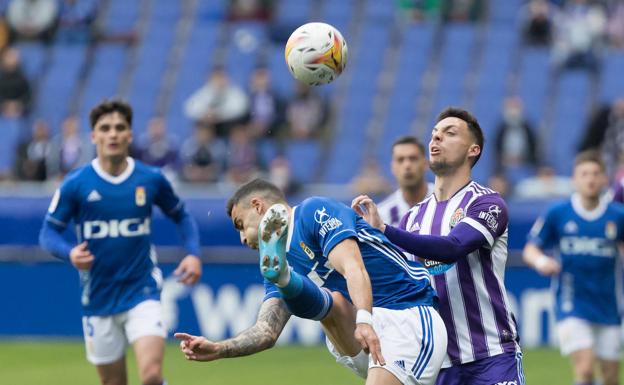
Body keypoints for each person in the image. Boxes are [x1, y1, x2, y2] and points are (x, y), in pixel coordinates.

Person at [176, 178, 448, 385]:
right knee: (332, 302)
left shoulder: (313, 211)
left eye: (240, 225)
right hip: (360, 332)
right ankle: (285, 278)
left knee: (336, 298)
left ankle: (288, 279)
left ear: (258, 206)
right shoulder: (275, 259)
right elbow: (266, 332)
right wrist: (219, 348)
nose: (243, 239)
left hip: (406, 315)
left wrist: (364, 319)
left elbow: (354, 267)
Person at [352, 107, 524, 385]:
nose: (436, 139)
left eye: (449, 133)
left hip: (493, 356)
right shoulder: (412, 219)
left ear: (473, 150)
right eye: (434, 134)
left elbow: (453, 246)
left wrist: (383, 230)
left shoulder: (487, 203)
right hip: (439, 363)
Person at [39, 100, 203, 385]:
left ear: (129, 135)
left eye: (119, 128)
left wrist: (193, 254)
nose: (112, 134)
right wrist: (69, 253)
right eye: (105, 128)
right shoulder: (76, 183)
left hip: (142, 291)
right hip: (98, 298)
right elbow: (47, 234)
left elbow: (182, 216)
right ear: (94, 136)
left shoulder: (150, 179)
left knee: (151, 376)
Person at [523, 150, 623, 385]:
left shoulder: (617, 216)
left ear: (604, 179)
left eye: (596, 174)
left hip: (608, 305)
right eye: (584, 174)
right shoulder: (558, 213)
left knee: (610, 377)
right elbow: (530, 249)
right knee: (585, 368)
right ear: (575, 180)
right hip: (571, 303)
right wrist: (542, 261)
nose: (590, 179)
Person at [377, 136, 433, 227]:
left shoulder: (446, 200)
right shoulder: (382, 215)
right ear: (393, 167)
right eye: (400, 160)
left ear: (426, 164)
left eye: (413, 158)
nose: (407, 165)